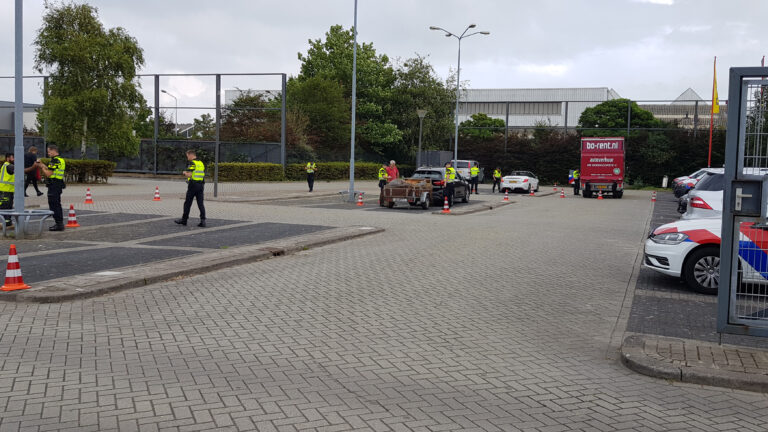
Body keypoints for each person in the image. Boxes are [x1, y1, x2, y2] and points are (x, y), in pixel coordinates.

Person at [36, 145, 66, 231]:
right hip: (58, 184)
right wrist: (42, 164)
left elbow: (49, 173)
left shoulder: (54, 160)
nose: (48, 153)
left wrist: (41, 167)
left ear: (53, 151)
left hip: (54, 185)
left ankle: (59, 224)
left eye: (49, 151)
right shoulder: (60, 160)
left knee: (54, 204)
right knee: (57, 203)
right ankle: (59, 223)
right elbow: (51, 169)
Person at [175, 150, 207, 227]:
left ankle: (184, 220)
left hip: (193, 185)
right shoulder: (200, 163)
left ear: (190, 155)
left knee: (187, 203)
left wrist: (184, 173)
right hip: (201, 185)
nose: (187, 158)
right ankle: (203, 221)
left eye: (187, 156)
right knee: (200, 204)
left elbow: (189, 175)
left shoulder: (192, 163)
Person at [0, 153, 16, 227]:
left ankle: (8, 222)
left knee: (7, 207)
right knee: (5, 207)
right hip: (5, 190)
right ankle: (7, 223)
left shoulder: (5, 165)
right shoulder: (9, 166)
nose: (14, 159)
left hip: (6, 190)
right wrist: (32, 167)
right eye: (13, 158)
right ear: (7, 158)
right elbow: (21, 172)